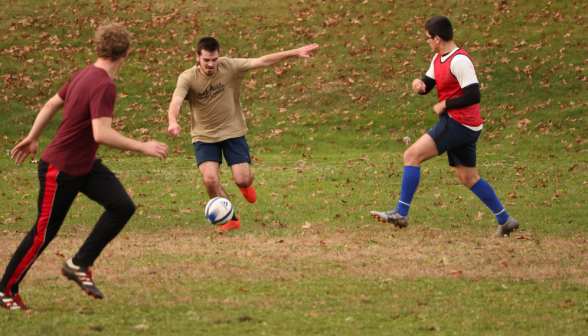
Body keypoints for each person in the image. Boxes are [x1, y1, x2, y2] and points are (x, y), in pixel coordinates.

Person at [0, 23, 169, 310]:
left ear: (99, 47)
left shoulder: (84, 74)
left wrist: (33, 137)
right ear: (127, 53)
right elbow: (101, 134)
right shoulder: (103, 84)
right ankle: (5, 291)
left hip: (84, 164)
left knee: (122, 206)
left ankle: (79, 264)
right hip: (61, 168)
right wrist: (141, 145)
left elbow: (50, 105)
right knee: (43, 233)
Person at [370, 16, 519, 237]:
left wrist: (445, 104)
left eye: (428, 38)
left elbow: (473, 94)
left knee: (411, 155)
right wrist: (419, 85)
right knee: (468, 177)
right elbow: (428, 84)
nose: (427, 41)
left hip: (459, 123)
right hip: (465, 124)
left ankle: (401, 213)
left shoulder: (459, 61)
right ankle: (505, 220)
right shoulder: (438, 58)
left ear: (437, 38)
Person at [168, 37, 318, 232]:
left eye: (214, 59)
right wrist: (173, 120)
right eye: (206, 60)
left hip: (232, 131)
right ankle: (231, 218)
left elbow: (263, 60)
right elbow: (176, 102)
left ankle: (245, 184)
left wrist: (293, 52)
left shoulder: (230, 66)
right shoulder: (187, 77)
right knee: (210, 180)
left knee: (243, 179)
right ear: (197, 57)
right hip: (204, 136)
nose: (211, 64)